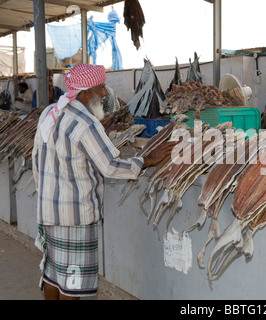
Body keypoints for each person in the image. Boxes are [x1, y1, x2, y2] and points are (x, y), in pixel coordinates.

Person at [32, 64, 171, 300]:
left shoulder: (51, 113)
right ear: (87, 91)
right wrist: (146, 160)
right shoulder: (84, 122)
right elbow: (110, 166)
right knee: (72, 284)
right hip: (74, 218)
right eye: (102, 87)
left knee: (53, 274)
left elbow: (37, 158)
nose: (106, 93)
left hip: (49, 212)